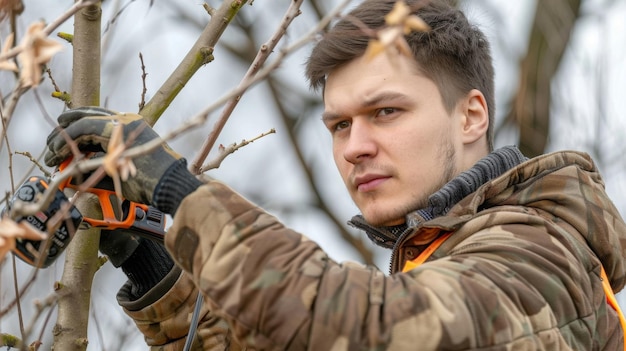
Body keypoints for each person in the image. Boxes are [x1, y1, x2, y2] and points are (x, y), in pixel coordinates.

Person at [43, 0, 626, 349]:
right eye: (340, 125)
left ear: (471, 114)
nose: (355, 147)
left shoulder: (539, 252)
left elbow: (374, 326)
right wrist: (157, 269)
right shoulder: (439, 259)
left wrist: (179, 191)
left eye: (385, 112)